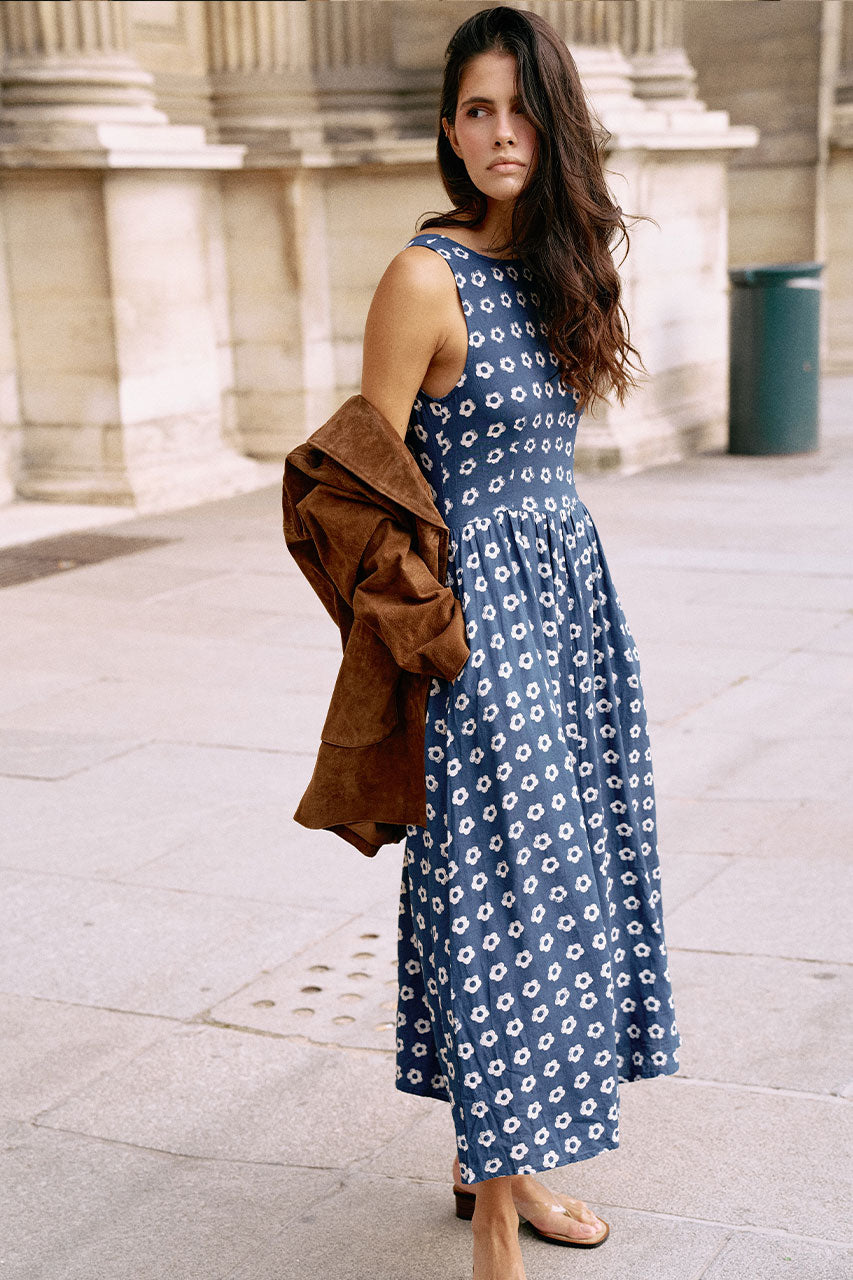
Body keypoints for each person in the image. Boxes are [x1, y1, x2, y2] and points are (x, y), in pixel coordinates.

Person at [358, 8, 682, 1279]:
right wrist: (422, 645)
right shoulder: (421, 275)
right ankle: (496, 1215)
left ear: (554, 122)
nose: (500, 133)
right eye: (477, 110)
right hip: (474, 631)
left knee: (564, 888)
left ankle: (488, 1161)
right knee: (505, 905)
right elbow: (358, 485)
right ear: (448, 127)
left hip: (571, 615)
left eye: (520, 109)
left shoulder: (558, 266)